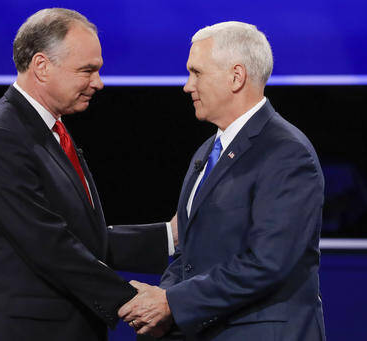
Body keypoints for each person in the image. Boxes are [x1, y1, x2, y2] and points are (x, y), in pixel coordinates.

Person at [0, 8, 175, 341]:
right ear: (42, 66)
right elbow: (49, 244)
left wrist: (170, 236)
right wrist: (132, 302)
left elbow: (82, 238)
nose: (98, 83)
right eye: (88, 70)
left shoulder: (46, 130)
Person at [119, 21, 326, 340]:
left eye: (196, 72)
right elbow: (190, 253)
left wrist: (172, 302)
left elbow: (268, 263)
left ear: (236, 76)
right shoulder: (208, 150)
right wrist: (163, 298)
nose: (187, 85)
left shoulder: (286, 153)